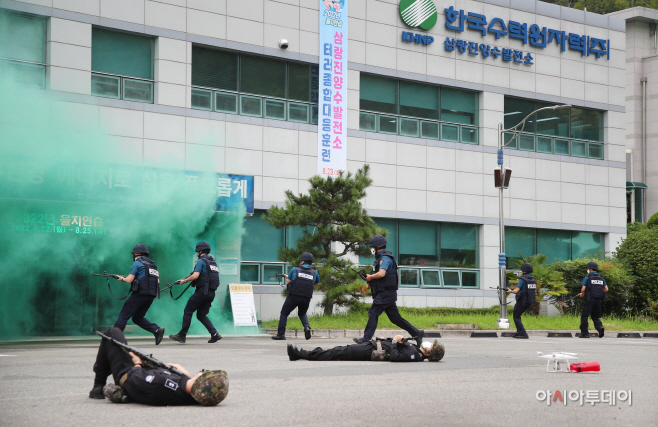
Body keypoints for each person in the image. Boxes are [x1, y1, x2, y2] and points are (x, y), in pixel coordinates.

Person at [89, 327, 228, 406]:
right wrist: (183, 372)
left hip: (128, 374)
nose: (201, 372)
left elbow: (136, 379)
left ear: (200, 380)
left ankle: (98, 384)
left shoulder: (161, 383)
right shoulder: (195, 394)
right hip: (148, 372)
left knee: (113, 333)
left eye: (203, 374)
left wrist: (138, 363)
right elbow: (191, 384)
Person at [353, 235, 424, 346]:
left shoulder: (385, 258)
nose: (371, 249)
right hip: (387, 293)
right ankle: (416, 332)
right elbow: (383, 277)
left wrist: (371, 277)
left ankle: (365, 339)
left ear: (376, 247)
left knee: (373, 312)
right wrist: (371, 283)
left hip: (385, 294)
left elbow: (381, 274)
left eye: (372, 247)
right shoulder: (381, 258)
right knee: (395, 318)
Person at [169, 241, 222, 344]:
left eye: (198, 251)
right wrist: (183, 279)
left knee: (188, 311)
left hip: (202, 292)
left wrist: (184, 281)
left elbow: (195, 276)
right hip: (211, 293)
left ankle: (182, 335)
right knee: (201, 315)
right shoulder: (212, 263)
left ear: (200, 251)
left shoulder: (201, 261)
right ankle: (215, 334)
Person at [114, 244, 164, 345]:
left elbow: (129, 280)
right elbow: (157, 281)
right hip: (151, 295)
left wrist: (121, 278)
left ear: (137, 253)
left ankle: (114, 338)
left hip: (139, 294)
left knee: (124, 315)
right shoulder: (153, 266)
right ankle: (156, 330)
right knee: (137, 317)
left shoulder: (137, 263)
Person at [271, 252, 320, 341]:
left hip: (294, 296)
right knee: (302, 313)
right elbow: (317, 283)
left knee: (284, 313)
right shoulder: (314, 272)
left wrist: (287, 277)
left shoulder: (295, 269)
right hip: (306, 297)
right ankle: (307, 327)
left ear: (302, 261)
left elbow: (289, 281)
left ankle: (281, 334)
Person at [287, 335, 445, 362]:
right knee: (337, 351)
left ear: (429, 353)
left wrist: (396, 342)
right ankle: (301, 354)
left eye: (432, 346)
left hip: (368, 351)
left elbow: (396, 358)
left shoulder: (414, 356)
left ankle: (301, 354)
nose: (429, 344)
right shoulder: (416, 351)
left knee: (336, 352)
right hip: (371, 346)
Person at [506, 262, 536, 339]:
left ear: (523, 270)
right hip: (529, 301)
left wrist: (510, 291)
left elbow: (516, 291)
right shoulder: (532, 279)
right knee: (518, 315)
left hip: (522, 301)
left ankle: (523, 334)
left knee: (516, 316)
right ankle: (519, 332)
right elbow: (525, 290)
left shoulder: (523, 279)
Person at [578, 261, 608, 338]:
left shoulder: (588, 277)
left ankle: (585, 333)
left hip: (589, 299)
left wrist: (582, 294)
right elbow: (606, 289)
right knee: (595, 316)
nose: (587, 270)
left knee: (585, 316)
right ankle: (600, 328)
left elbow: (583, 289)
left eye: (587, 268)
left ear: (590, 269)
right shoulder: (601, 278)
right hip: (599, 300)